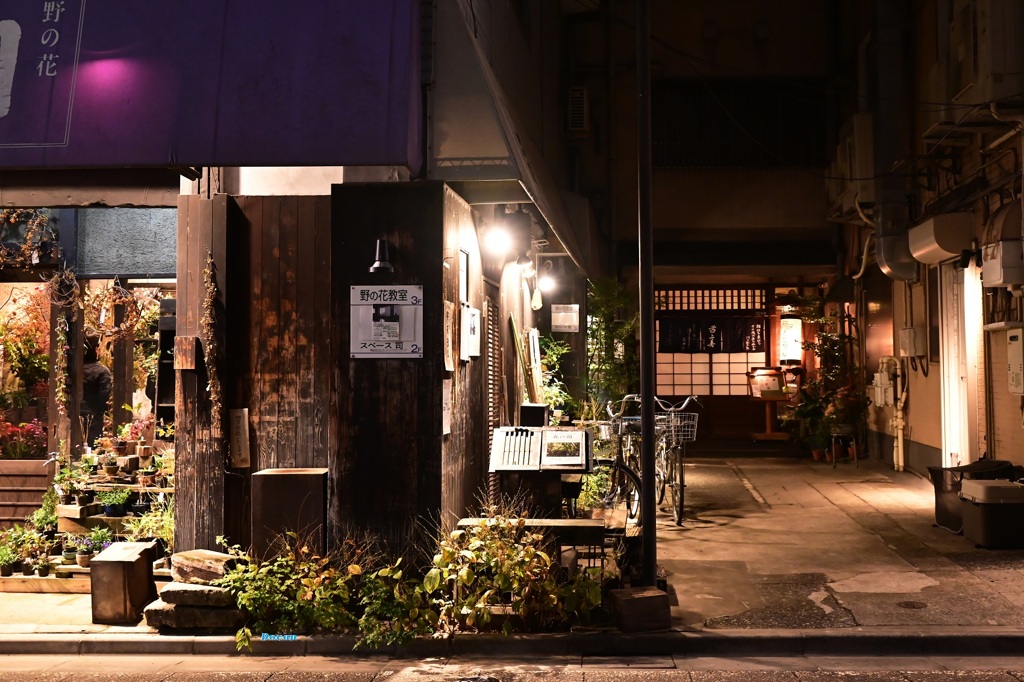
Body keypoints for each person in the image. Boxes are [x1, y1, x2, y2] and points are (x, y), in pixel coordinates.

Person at [81, 335, 112, 447]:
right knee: (92, 447)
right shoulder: (102, 372)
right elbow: (105, 398)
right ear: (96, 349)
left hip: (72, 418)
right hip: (94, 418)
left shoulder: (73, 370)